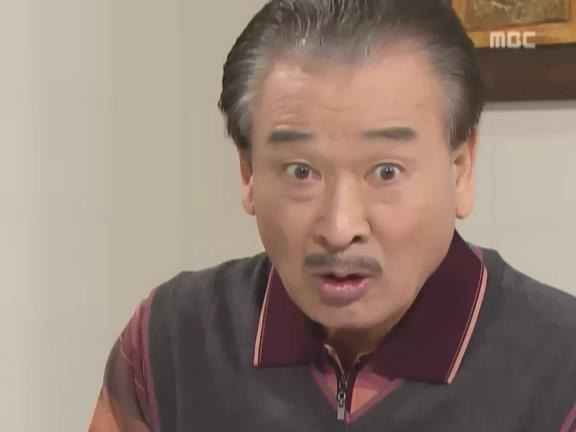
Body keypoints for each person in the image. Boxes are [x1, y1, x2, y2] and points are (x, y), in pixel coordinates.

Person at [88, 0, 576, 430]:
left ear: (461, 169)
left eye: (386, 171)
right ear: (249, 174)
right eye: (301, 171)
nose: (341, 229)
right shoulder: (171, 343)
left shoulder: (560, 370)